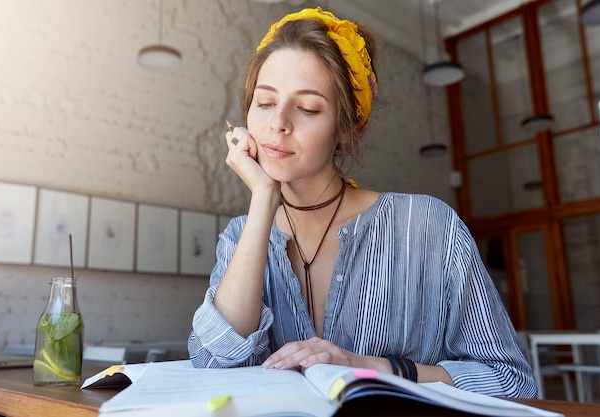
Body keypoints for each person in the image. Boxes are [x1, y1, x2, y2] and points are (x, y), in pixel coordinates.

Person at [188, 7, 536, 398]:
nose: (278, 123)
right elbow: (213, 361)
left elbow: (510, 380)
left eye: (308, 108)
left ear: (350, 129)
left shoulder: (427, 226)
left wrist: (372, 368)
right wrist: (264, 197)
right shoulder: (241, 235)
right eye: (265, 103)